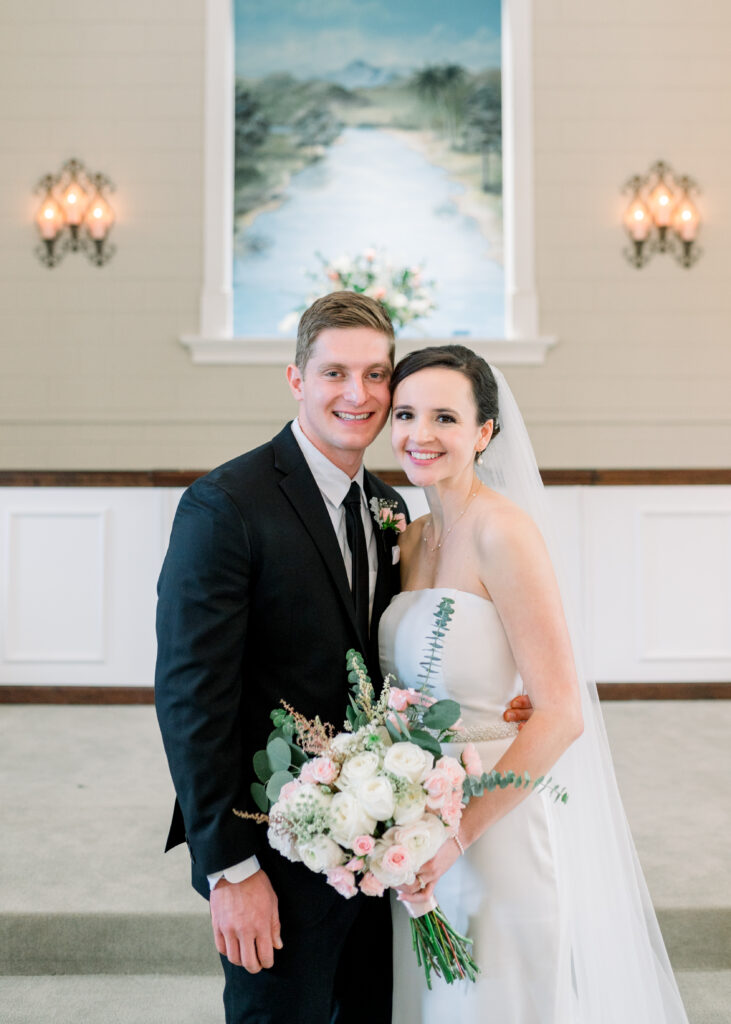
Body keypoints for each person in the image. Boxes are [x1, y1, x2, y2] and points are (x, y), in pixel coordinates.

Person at [154, 296, 532, 1024]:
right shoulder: (225, 506)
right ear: (296, 379)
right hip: (274, 846)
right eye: (334, 372)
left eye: (374, 374)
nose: (356, 394)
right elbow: (190, 700)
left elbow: (405, 660)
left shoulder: (394, 509)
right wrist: (230, 871)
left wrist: (496, 705)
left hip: (382, 841)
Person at [379, 345, 690, 1023]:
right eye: (405, 414)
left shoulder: (505, 533)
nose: (418, 434)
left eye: (444, 417)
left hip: (494, 823)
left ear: (483, 433)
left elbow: (558, 713)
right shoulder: (408, 539)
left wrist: (458, 834)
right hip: (411, 814)